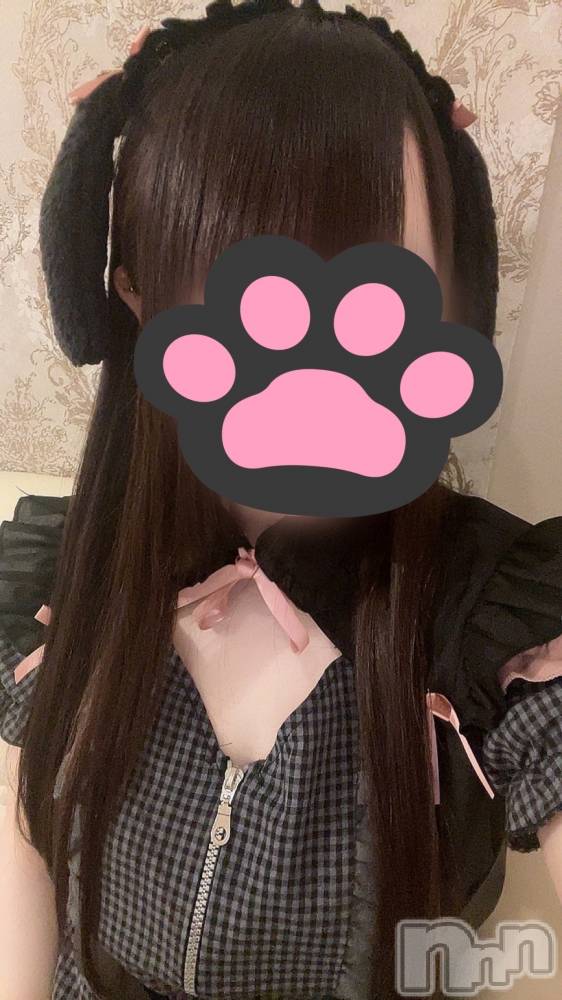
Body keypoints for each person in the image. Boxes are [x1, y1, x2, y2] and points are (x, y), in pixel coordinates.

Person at [1, 2, 561, 998]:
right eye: (252, 295)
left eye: (374, 296)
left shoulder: (488, 619)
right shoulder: (62, 579)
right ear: (133, 293)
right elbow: (27, 841)